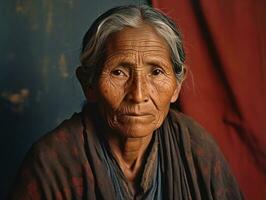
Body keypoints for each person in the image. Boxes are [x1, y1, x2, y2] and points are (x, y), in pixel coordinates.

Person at [8, 5, 243, 200]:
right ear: (88, 85)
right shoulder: (53, 162)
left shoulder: (195, 147)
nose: (138, 94)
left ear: (177, 87)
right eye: (119, 72)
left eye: (156, 72)